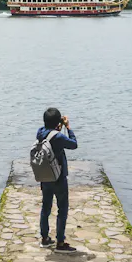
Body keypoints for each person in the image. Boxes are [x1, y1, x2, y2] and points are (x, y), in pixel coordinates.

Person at [36, 107, 78, 251]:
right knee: (62, 209)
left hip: (45, 176)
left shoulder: (40, 132)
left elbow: (50, 136)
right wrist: (68, 127)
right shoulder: (59, 137)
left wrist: (56, 127)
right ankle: (60, 242)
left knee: (45, 208)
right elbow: (74, 144)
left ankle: (45, 238)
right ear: (58, 122)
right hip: (59, 178)